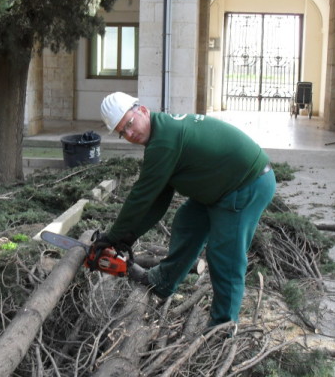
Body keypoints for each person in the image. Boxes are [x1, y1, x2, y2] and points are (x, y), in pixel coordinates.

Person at [93, 91, 276, 329]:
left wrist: (114, 236)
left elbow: (142, 196)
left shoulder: (164, 140)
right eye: (122, 132)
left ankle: (222, 328)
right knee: (187, 222)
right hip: (220, 186)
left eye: (129, 123)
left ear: (143, 111)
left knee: (225, 257)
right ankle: (163, 281)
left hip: (246, 185)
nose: (129, 133)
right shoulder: (161, 133)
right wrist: (129, 236)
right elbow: (158, 199)